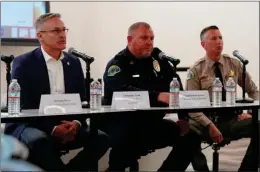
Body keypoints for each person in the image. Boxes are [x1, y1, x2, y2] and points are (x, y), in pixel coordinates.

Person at [4, 13, 109, 171]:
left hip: (66, 123)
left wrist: (76, 123)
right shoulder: (24, 63)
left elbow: (82, 100)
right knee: (39, 141)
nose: (62, 35)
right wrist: (53, 128)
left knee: (101, 139)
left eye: (63, 30)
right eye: (56, 31)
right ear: (40, 36)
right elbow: (24, 106)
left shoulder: (73, 62)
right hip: (29, 124)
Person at [102, 21, 207, 171]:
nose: (149, 42)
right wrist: (156, 96)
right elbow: (122, 92)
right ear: (130, 40)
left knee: (191, 138)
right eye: (144, 38)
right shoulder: (118, 64)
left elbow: (176, 85)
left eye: (152, 38)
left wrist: (183, 118)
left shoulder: (158, 59)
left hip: (151, 122)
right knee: (125, 145)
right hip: (124, 123)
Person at [186, 25, 259, 171]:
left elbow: (254, 92)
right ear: (203, 44)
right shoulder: (196, 70)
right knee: (188, 133)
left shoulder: (234, 64)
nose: (219, 41)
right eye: (214, 38)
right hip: (206, 123)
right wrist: (209, 125)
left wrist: (251, 112)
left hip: (231, 121)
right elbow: (191, 106)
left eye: (220, 38)